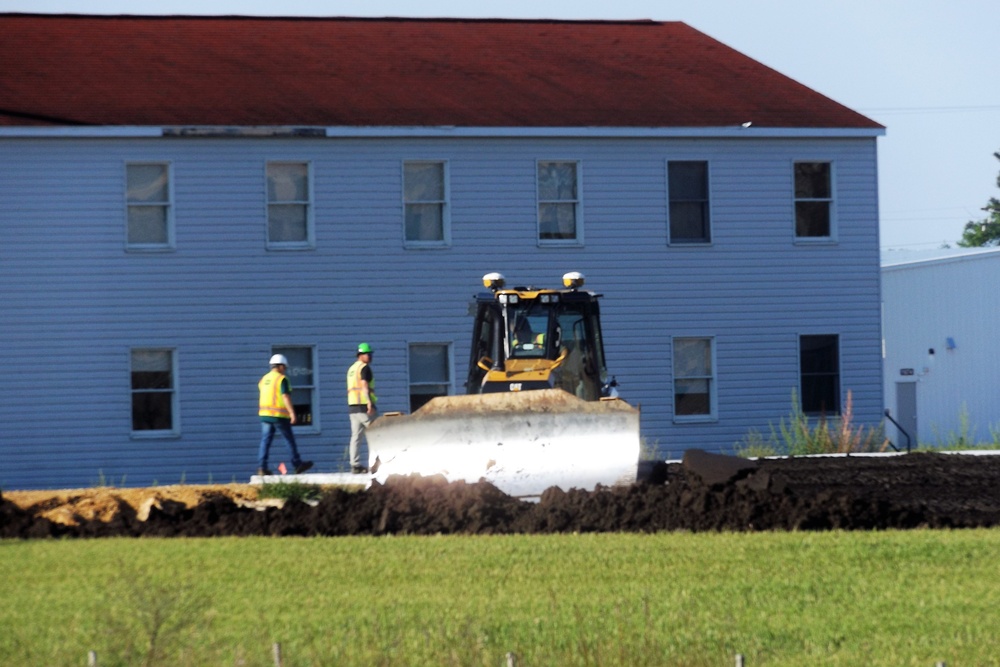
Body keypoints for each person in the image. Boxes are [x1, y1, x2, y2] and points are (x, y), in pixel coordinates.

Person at [257, 354, 313, 476]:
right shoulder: (282, 379)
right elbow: (285, 397)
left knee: (265, 441)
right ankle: (297, 464)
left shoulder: (264, 379)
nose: (285, 370)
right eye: (285, 367)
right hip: (278, 415)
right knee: (289, 439)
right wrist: (292, 413)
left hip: (265, 414)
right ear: (281, 366)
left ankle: (262, 467)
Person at [346, 342, 377, 474]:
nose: (370, 357)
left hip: (353, 407)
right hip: (364, 407)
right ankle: (376, 463)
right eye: (367, 354)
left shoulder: (352, 369)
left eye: (370, 354)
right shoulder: (364, 368)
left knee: (356, 437)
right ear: (360, 355)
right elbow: (364, 386)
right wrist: (369, 403)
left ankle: (355, 465)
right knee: (376, 433)